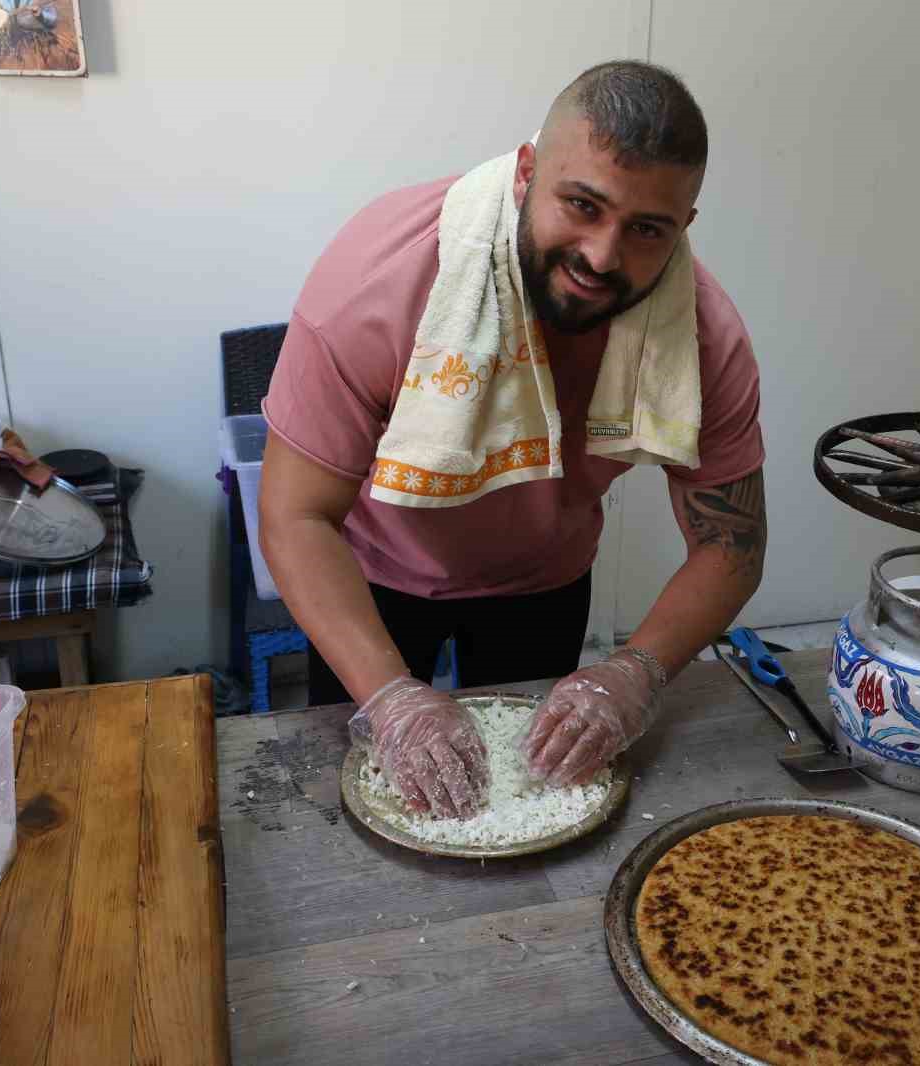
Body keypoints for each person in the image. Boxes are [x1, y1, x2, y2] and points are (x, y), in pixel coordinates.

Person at [258, 60, 767, 819]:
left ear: (683, 227)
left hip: (545, 578)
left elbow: (731, 545)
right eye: (583, 204)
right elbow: (294, 515)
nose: (602, 254)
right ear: (527, 170)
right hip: (371, 574)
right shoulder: (375, 284)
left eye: (645, 229)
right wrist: (393, 701)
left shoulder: (704, 336)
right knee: (375, 799)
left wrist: (633, 673)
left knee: (533, 794)